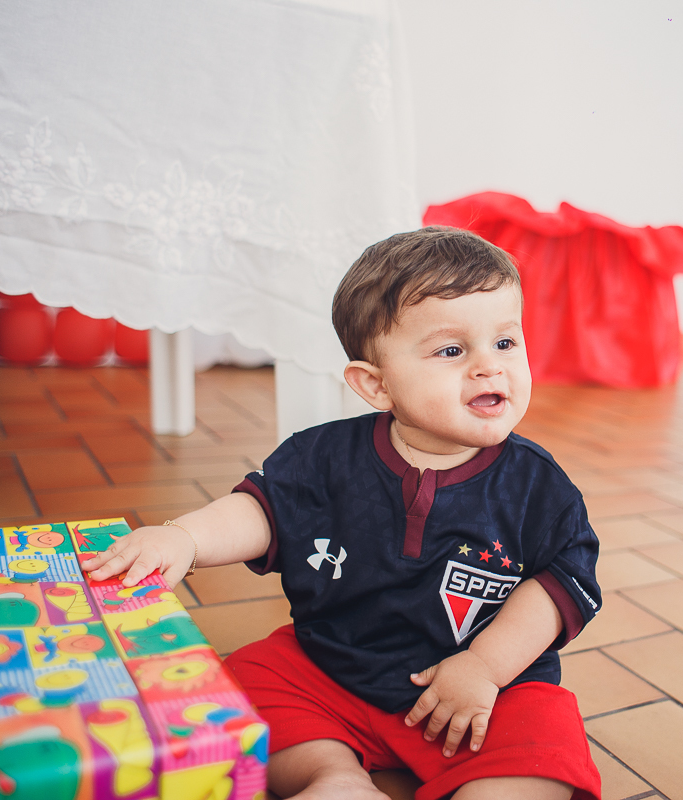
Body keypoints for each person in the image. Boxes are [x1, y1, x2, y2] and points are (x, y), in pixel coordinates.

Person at [82, 227, 602, 800]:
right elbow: (263, 512)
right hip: (333, 670)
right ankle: (333, 777)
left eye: (505, 342)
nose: (489, 367)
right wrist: (184, 539)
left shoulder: (537, 486)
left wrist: (483, 667)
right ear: (375, 385)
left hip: (479, 697)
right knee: (246, 681)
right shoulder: (323, 457)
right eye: (452, 351)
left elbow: (559, 585)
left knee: (544, 743)